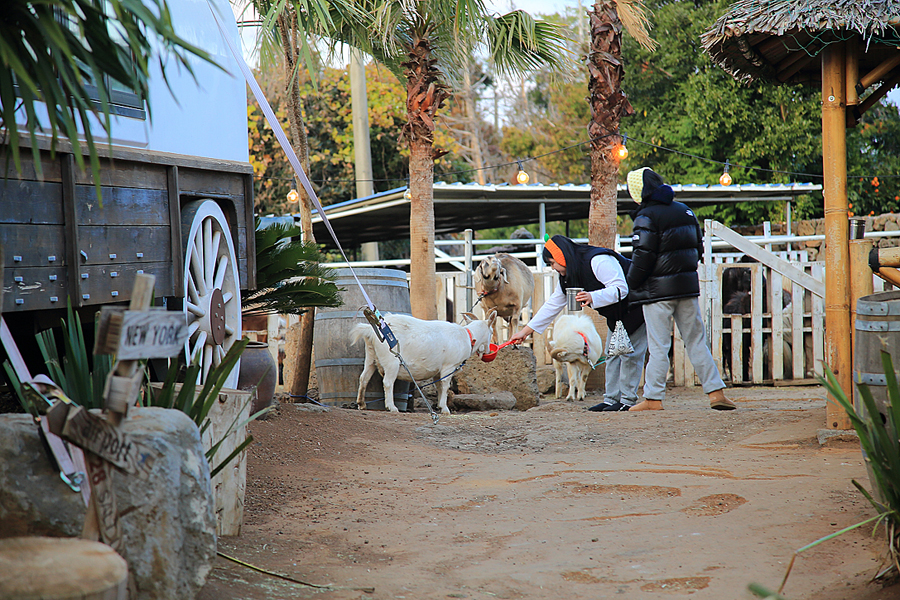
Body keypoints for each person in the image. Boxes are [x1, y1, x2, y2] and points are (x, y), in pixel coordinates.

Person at [624, 167, 736, 411]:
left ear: (639, 191)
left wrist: (630, 284)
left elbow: (642, 257)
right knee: (696, 341)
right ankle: (716, 393)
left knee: (658, 347)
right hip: (686, 289)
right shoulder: (685, 211)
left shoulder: (645, 217)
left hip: (656, 293)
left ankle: (653, 398)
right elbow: (698, 249)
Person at [509, 235, 648, 411]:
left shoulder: (597, 260)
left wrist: (592, 296)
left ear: (562, 257)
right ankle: (611, 400)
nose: (553, 268)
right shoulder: (568, 275)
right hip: (618, 314)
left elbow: (621, 288)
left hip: (637, 306)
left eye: (553, 262)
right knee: (613, 353)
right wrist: (525, 331)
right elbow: (553, 304)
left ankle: (627, 401)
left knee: (630, 355)